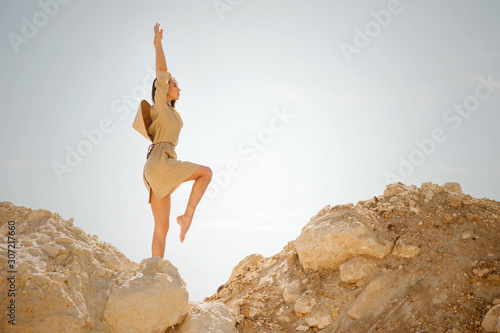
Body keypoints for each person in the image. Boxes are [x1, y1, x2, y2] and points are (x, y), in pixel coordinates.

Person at [143, 23, 212, 258]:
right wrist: (158, 44)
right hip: (161, 160)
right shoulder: (160, 105)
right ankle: (188, 216)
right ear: (162, 90)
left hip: (156, 166)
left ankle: (154, 270)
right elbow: (161, 73)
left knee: (161, 227)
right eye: (174, 84)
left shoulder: (172, 113)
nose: (178, 87)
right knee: (206, 173)